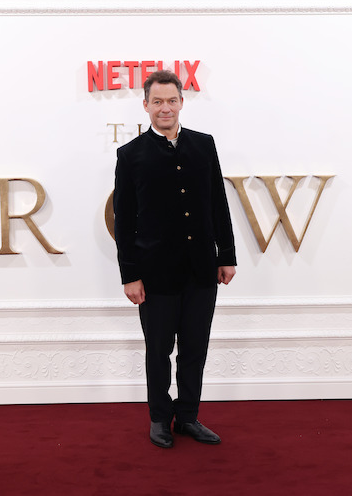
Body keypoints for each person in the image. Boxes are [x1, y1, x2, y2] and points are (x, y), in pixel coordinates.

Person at [113, 70, 237, 448]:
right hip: (155, 274)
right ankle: (159, 418)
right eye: (157, 102)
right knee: (158, 351)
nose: (164, 108)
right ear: (146, 105)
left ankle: (187, 417)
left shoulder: (204, 145)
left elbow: (218, 203)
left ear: (181, 102)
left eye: (171, 100)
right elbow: (124, 221)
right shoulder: (130, 155)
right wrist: (130, 275)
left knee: (195, 350)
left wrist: (226, 255)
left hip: (201, 269)